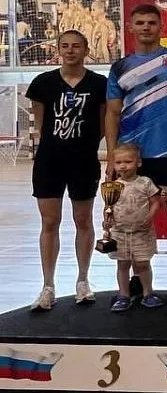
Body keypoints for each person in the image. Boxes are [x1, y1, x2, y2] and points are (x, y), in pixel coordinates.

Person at [105, 3, 167, 303]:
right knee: (131, 214)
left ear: (162, 26)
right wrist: (112, 155)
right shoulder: (120, 68)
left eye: (151, 22)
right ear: (131, 27)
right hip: (133, 155)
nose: (146, 27)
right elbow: (112, 112)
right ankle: (137, 277)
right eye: (140, 22)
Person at [27, 30, 107, 311]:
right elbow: (40, 123)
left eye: (76, 46)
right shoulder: (43, 83)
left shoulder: (99, 84)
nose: (70, 51)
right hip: (50, 161)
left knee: (83, 220)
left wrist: (83, 145)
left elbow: (102, 125)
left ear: (86, 50)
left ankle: (83, 280)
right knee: (50, 222)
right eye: (65, 46)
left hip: (83, 161)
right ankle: (47, 285)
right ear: (58, 49)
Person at [104, 142, 166, 312]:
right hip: (119, 232)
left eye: (128, 162)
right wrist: (107, 222)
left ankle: (148, 293)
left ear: (138, 163)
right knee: (122, 264)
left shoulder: (145, 183)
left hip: (142, 232)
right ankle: (124, 295)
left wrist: (150, 217)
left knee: (143, 263)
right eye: (118, 162)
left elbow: (156, 202)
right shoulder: (113, 185)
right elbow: (109, 206)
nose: (123, 166)